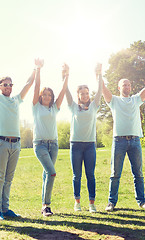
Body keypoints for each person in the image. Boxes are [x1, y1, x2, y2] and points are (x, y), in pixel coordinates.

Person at [103, 61, 145, 212]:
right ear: (119, 87)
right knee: (115, 173)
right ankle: (111, 203)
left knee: (138, 173)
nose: (127, 87)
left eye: (128, 84)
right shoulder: (114, 101)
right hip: (119, 141)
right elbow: (103, 89)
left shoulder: (136, 99)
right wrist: (98, 74)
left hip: (135, 141)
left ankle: (142, 201)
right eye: (124, 85)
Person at [0, 59, 36, 220]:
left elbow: (28, 84)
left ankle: (6, 209)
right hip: (1, 142)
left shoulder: (16, 100)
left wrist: (36, 68)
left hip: (16, 144)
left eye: (10, 85)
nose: (8, 87)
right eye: (5, 84)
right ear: (0, 86)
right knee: (0, 177)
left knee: (9, 178)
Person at [32, 60, 69, 216]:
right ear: (41, 96)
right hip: (39, 145)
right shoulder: (36, 106)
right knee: (51, 173)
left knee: (47, 174)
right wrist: (38, 69)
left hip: (53, 145)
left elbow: (63, 90)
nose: (47, 96)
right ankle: (46, 205)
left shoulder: (55, 108)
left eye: (49, 95)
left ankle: (43, 205)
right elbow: (35, 87)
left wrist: (66, 74)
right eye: (44, 94)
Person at [65, 63, 103, 213]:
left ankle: (92, 204)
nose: (85, 96)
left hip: (89, 146)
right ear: (78, 95)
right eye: (82, 93)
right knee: (77, 176)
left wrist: (99, 74)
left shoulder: (94, 106)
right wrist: (65, 75)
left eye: (87, 93)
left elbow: (100, 90)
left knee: (90, 175)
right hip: (75, 145)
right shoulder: (73, 107)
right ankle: (77, 202)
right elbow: (66, 91)